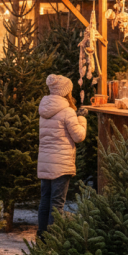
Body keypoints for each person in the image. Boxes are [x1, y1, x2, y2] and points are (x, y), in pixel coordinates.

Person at [37, 74, 87, 239]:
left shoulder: (44, 110)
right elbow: (79, 136)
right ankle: (54, 240)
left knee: (45, 202)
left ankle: (42, 238)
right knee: (57, 204)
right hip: (61, 164)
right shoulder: (67, 112)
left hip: (45, 163)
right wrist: (82, 119)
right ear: (66, 92)